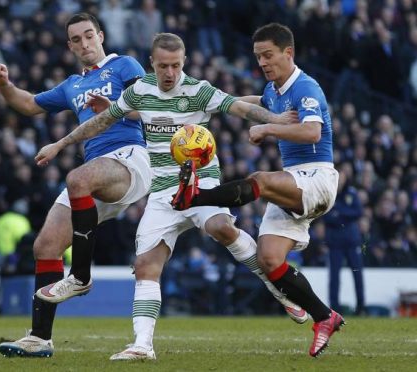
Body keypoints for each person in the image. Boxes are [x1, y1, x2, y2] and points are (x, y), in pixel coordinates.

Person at [34, 32, 307, 361]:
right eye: (163, 66)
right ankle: (142, 345)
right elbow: (101, 122)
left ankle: (278, 287)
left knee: (221, 226)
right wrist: (60, 145)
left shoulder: (197, 90)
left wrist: (275, 119)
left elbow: (238, 107)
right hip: (163, 192)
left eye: (176, 65)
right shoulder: (139, 91)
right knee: (146, 264)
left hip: (201, 183)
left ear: (184, 62)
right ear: (152, 63)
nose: (170, 73)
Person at [171, 23, 345, 357]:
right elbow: (244, 102)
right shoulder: (273, 91)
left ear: (288, 53)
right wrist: (205, 103)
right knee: (269, 260)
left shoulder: (305, 87)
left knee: (261, 180)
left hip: (316, 177)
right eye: (258, 57)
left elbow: (311, 133)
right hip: (294, 181)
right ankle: (325, 316)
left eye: (268, 55)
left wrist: (266, 127)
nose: (263, 62)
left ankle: (195, 197)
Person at [0, 13, 152, 357]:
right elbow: (29, 104)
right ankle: (39, 338)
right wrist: (4, 84)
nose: (84, 44)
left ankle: (80, 276)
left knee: (77, 178)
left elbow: (149, 106)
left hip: (129, 158)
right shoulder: (71, 86)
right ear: (69, 46)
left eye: (88, 35)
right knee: (45, 246)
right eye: (76, 40)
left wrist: (115, 108)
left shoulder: (124, 66)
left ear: (101, 36)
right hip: (95, 174)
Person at [323, 166, 365, 315]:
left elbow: (358, 212)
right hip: (335, 242)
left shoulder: (351, 193)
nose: (340, 181)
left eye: (343, 178)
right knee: (334, 276)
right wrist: (344, 214)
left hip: (351, 241)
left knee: (357, 274)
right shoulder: (328, 193)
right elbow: (325, 215)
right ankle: (334, 307)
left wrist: (338, 212)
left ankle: (361, 306)